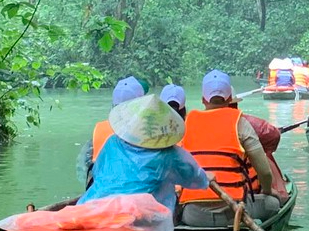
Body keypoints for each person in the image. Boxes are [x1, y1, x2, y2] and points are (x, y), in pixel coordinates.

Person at [80, 92, 233, 216]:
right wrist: (206, 178)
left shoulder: (112, 142)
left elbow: (97, 173)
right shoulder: (169, 154)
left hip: (92, 205)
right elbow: (195, 178)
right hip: (141, 215)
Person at [177, 69, 288, 228]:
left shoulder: (187, 123)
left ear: (203, 99)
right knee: (272, 203)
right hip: (234, 212)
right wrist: (268, 191)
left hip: (193, 215)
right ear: (230, 98)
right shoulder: (240, 123)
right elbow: (264, 172)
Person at [83, 76, 146, 186]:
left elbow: (87, 164)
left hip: (98, 187)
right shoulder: (146, 129)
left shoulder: (100, 127)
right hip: (131, 188)